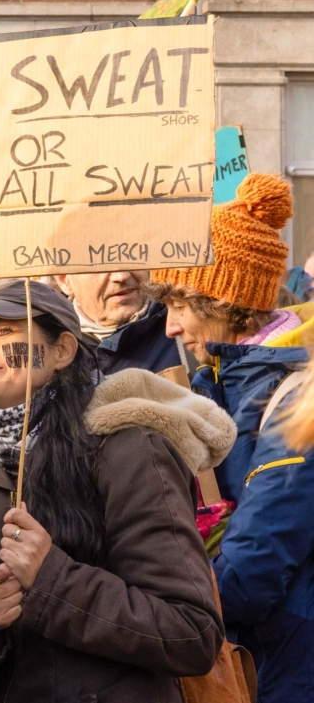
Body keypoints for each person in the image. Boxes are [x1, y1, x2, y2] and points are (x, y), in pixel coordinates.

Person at [0, 278, 236, 702]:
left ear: (63, 351)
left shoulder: (129, 451)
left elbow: (191, 634)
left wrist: (51, 579)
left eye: (4, 330)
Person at [148, 172, 314, 702]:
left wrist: (155, 613)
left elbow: (258, 558)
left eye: (180, 306)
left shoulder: (297, 394)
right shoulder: (214, 384)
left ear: (227, 300)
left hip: (285, 661)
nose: (170, 327)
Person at [54, 271, 192, 375]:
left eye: (130, 254)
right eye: (101, 265)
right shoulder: (49, 352)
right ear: (64, 279)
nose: (121, 276)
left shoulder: (189, 325)